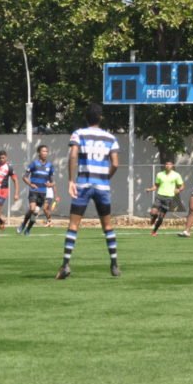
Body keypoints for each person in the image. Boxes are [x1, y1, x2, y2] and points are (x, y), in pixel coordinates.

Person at [56, 104, 120, 279]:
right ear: (101, 118)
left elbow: (73, 154)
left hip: (83, 185)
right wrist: (105, 178)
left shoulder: (79, 134)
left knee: (73, 225)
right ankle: (114, 263)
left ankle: (66, 264)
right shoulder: (110, 137)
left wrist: (71, 180)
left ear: (86, 118)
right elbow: (115, 163)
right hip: (102, 187)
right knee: (107, 226)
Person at [18, 145, 55, 236]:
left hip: (43, 193)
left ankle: (28, 229)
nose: (45, 153)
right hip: (34, 191)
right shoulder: (34, 164)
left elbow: (53, 181)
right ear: (39, 152)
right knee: (32, 209)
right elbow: (24, 177)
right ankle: (23, 224)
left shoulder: (50, 166)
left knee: (35, 213)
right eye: (43, 151)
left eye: (46, 151)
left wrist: (50, 184)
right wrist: (30, 184)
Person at [146, 161, 184, 237]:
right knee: (153, 212)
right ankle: (154, 217)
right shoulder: (160, 174)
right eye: (166, 164)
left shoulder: (176, 175)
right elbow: (156, 185)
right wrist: (150, 189)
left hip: (169, 198)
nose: (168, 165)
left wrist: (179, 190)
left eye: (169, 164)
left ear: (172, 166)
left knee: (161, 217)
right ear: (165, 165)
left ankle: (154, 231)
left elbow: (182, 186)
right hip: (159, 196)